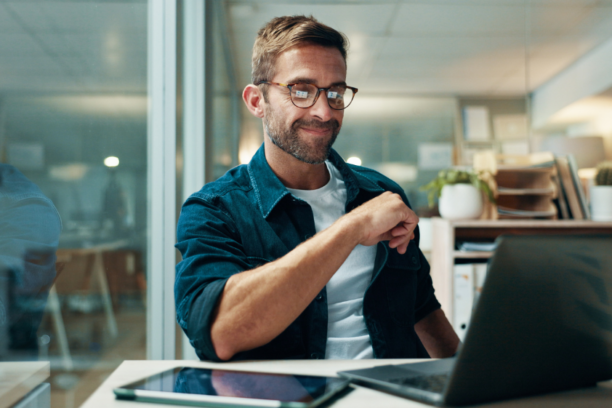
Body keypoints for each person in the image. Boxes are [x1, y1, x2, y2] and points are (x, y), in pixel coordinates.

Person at [175, 15, 459, 362]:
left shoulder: (381, 193)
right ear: (256, 101)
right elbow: (221, 333)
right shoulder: (214, 209)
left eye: (335, 92)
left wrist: (466, 382)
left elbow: (422, 308)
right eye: (301, 90)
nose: (325, 111)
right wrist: (352, 228)